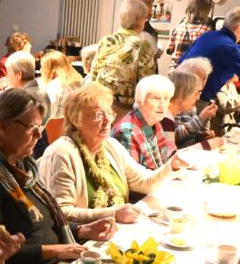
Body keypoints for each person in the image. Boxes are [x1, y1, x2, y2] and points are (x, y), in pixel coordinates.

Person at [0, 89, 116, 264]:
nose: (39, 135)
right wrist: (55, 250)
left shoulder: (21, 165)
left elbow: (43, 222)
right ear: (2, 126)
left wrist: (82, 230)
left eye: (40, 127)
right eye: (31, 128)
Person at [38, 82, 182, 224]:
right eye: (98, 115)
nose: (108, 121)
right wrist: (113, 213)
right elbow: (62, 211)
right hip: (82, 240)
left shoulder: (110, 146)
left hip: (115, 230)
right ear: (77, 120)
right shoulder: (62, 153)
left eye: (109, 113)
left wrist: (173, 165)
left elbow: (146, 182)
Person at [87, 0, 155, 109]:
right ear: (140, 20)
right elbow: (145, 83)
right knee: (147, 126)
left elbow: (93, 74)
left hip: (99, 102)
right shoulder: (143, 45)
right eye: (145, 19)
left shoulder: (106, 40)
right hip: (124, 108)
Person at [112, 75, 177, 169]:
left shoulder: (156, 124)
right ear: (139, 101)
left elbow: (162, 165)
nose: (162, 105)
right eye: (156, 98)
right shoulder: (127, 132)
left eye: (166, 98)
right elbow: (132, 179)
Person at [164, 0, 213, 68]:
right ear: (206, 11)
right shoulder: (207, 30)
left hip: (176, 70)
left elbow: (169, 50)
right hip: (194, 72)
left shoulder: (179, 27)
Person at [168, 70, 215, 147]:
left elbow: (188, 136)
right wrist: (201, 118)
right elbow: (174, 136)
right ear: (185, 92)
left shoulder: (190, 107)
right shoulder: (167, 115)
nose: (198, 98)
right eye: (196, 93)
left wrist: (201, 136)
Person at [40, 50, 83, 119]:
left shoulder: (54, 86)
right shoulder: (79, 82)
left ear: (50, 69)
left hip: (55, 128)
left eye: (43, 67)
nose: (41, 69)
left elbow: (47, 116)